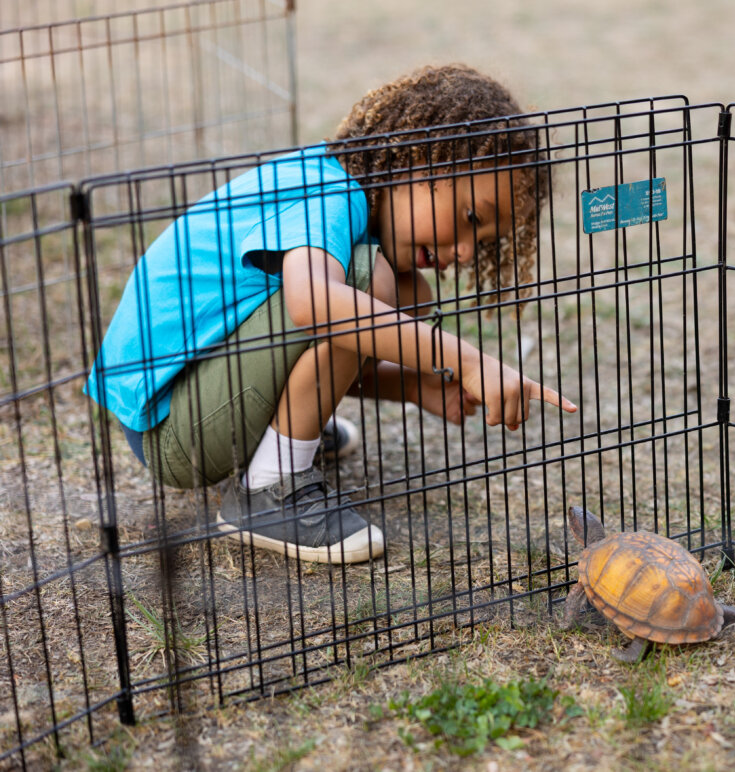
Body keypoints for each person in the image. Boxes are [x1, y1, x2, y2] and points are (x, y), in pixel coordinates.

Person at [85, 64, 576, 565]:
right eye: (471, 216)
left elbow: (322, 336)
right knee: (367, 284)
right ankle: (269, 491)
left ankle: (286, 435)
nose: (467, 251)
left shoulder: (344, 192)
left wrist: (409, 384)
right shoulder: (326, 193)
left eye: (483, 241)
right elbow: (314, 306)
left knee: (407, 295)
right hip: (170, 426)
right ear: (419, 158)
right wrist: (468, 360)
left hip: (194, 395)